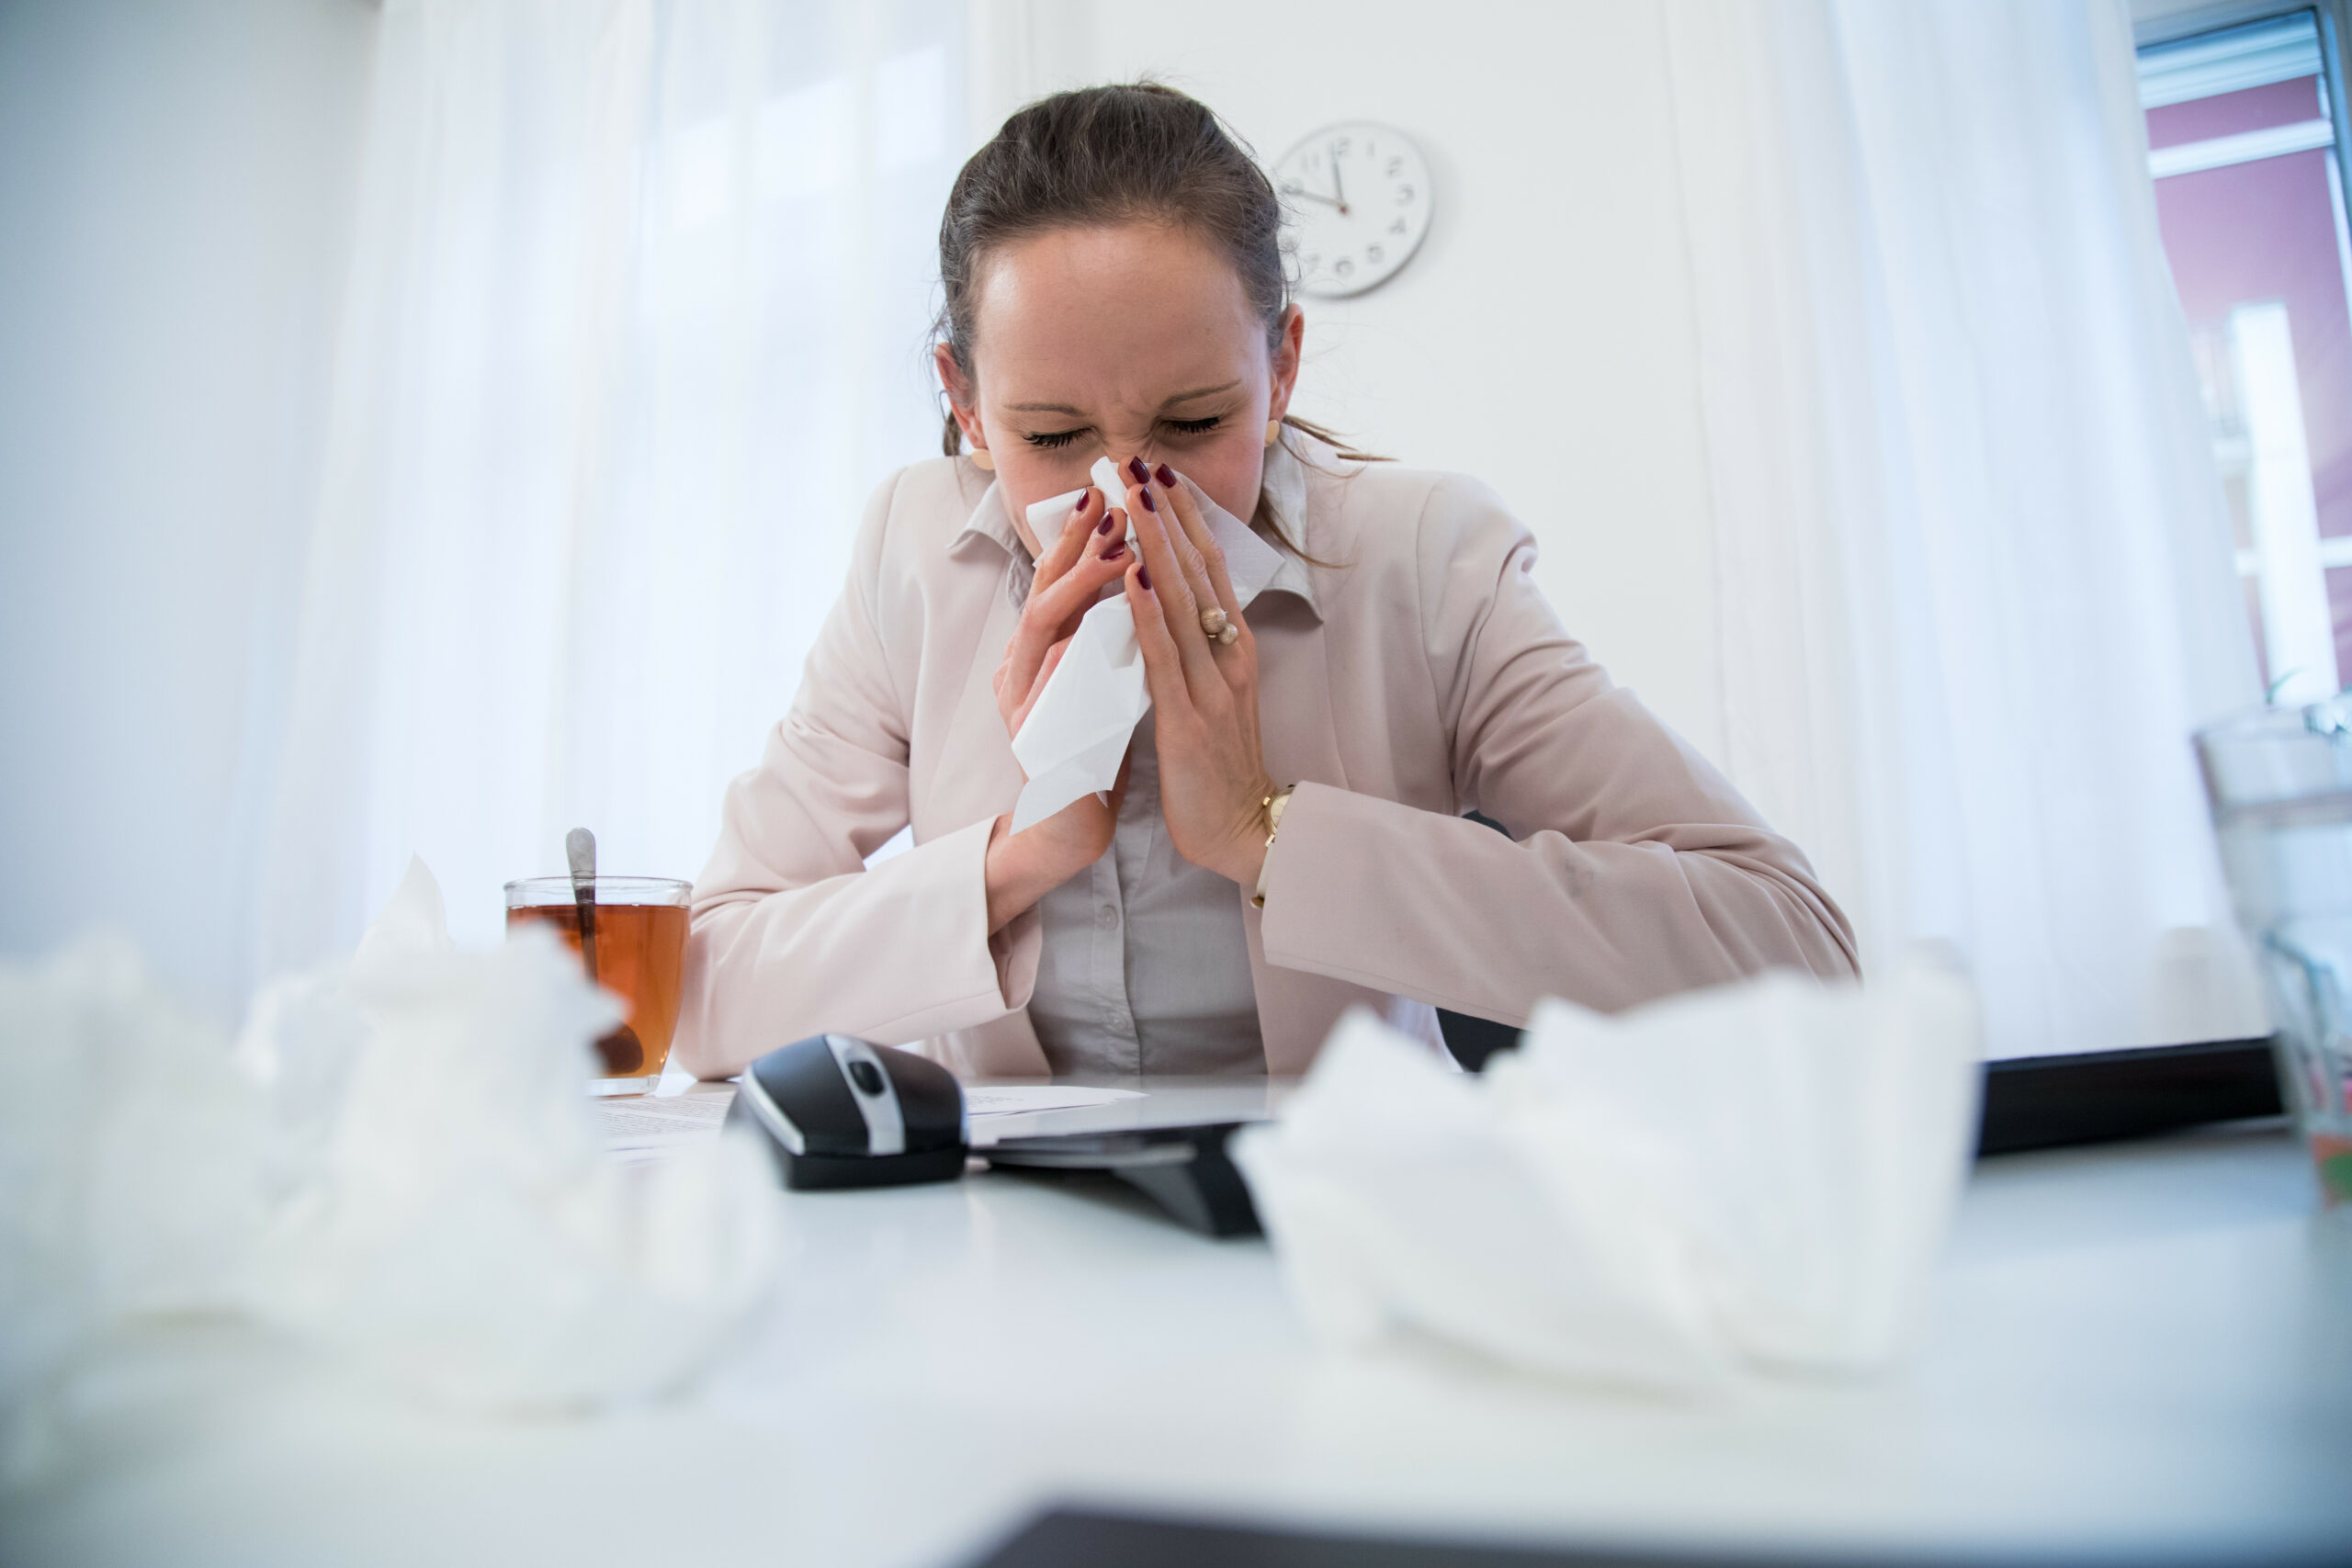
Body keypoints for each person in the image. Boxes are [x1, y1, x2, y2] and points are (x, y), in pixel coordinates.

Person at [676, 83, 1855, 1081]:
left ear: (1280, 367)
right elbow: (703, 993)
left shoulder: (1426, 558)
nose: (1122, 494)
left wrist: (1266, 830)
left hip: (1341, 1215)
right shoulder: (911, 552)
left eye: (1192, 422)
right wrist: (1021, 852)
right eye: (1046, 433)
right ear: (962, 400)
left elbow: (1793, 953)